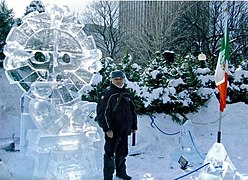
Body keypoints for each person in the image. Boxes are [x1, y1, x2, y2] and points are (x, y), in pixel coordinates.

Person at [95, 70, 138, 180]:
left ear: (123, 80)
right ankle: (108, 176)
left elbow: (132, 111)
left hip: (124, 130)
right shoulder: (108, 93)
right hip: (112, 131)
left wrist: (133, 126)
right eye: (116, 79)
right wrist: (107, 128)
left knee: (122, 153)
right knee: (109, 154)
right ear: (112, 80)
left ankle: (121, 173)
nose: (118, 81)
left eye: (120, 79)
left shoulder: (126, 93)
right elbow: (102, 113)